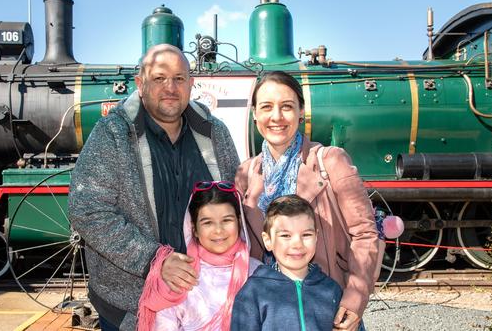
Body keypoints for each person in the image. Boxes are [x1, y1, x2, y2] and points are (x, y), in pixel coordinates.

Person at [68, 44, 240, 330]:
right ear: (140, 84)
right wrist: (153, 259)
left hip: (207, 303)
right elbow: (87, 209)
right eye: (159, 78)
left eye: (179, 78)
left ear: (191, 84)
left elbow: (237, 201)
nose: (170, 87)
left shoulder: (214, 132)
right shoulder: (113, 133)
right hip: (131, 306)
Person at [235, 71, 379, 331]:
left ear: (301, 111)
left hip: (327, 307)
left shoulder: (331, 161)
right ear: (254, 113)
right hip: (270, 311)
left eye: (287, 106)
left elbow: (365, 233)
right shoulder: (246, 174)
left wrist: (356, 296)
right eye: (266, 107)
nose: (276, 116)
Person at [137, 180, 261, 330]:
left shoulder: (258, 273)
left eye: (227, 220)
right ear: (194, 228)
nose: (218, 230)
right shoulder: (181, 275)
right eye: (207, 223)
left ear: (239, 222)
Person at [231, 195, 343, 331]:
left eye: (306, 235)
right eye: (285, 236)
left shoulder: (331, 290)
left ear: (316, 237)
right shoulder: (253, 292)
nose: (297, 244)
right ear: (268, 241)